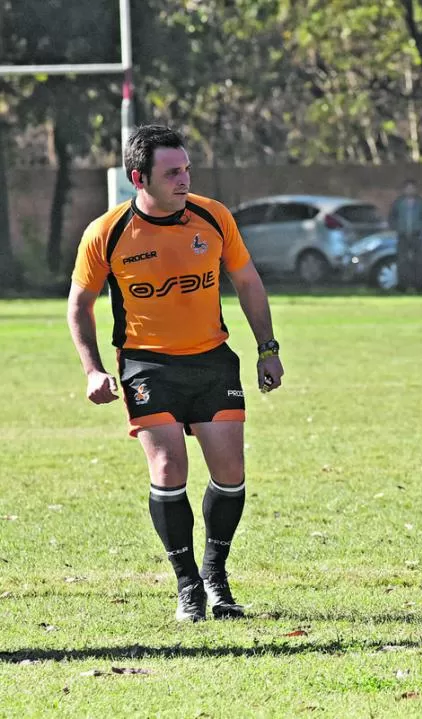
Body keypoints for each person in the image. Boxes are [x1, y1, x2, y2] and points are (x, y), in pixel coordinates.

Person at [66, 125, 284, 622]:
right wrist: (93, 369)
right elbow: (80, 305)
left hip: (212, 359)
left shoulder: (213, 217)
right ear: (138, 178)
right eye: (172, 173)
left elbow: (247, 281)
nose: (184, 179)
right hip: (148, 363)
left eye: (186, 168)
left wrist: (267, 349)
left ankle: (216, 576)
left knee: (230, 473)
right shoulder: (108, 232)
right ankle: (188, 586)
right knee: (169, 470)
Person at [389, 179, 422, 292]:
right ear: (404, 190)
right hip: (402, 235)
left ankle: (419, 286)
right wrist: (396, 228)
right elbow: (392, 217)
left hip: (417, 236)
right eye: (407, 188)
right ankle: (403, 285)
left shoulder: (421, 203)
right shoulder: (399, 203)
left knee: (419, 261)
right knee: (402, 261)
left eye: (412, 188)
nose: (410, 190)